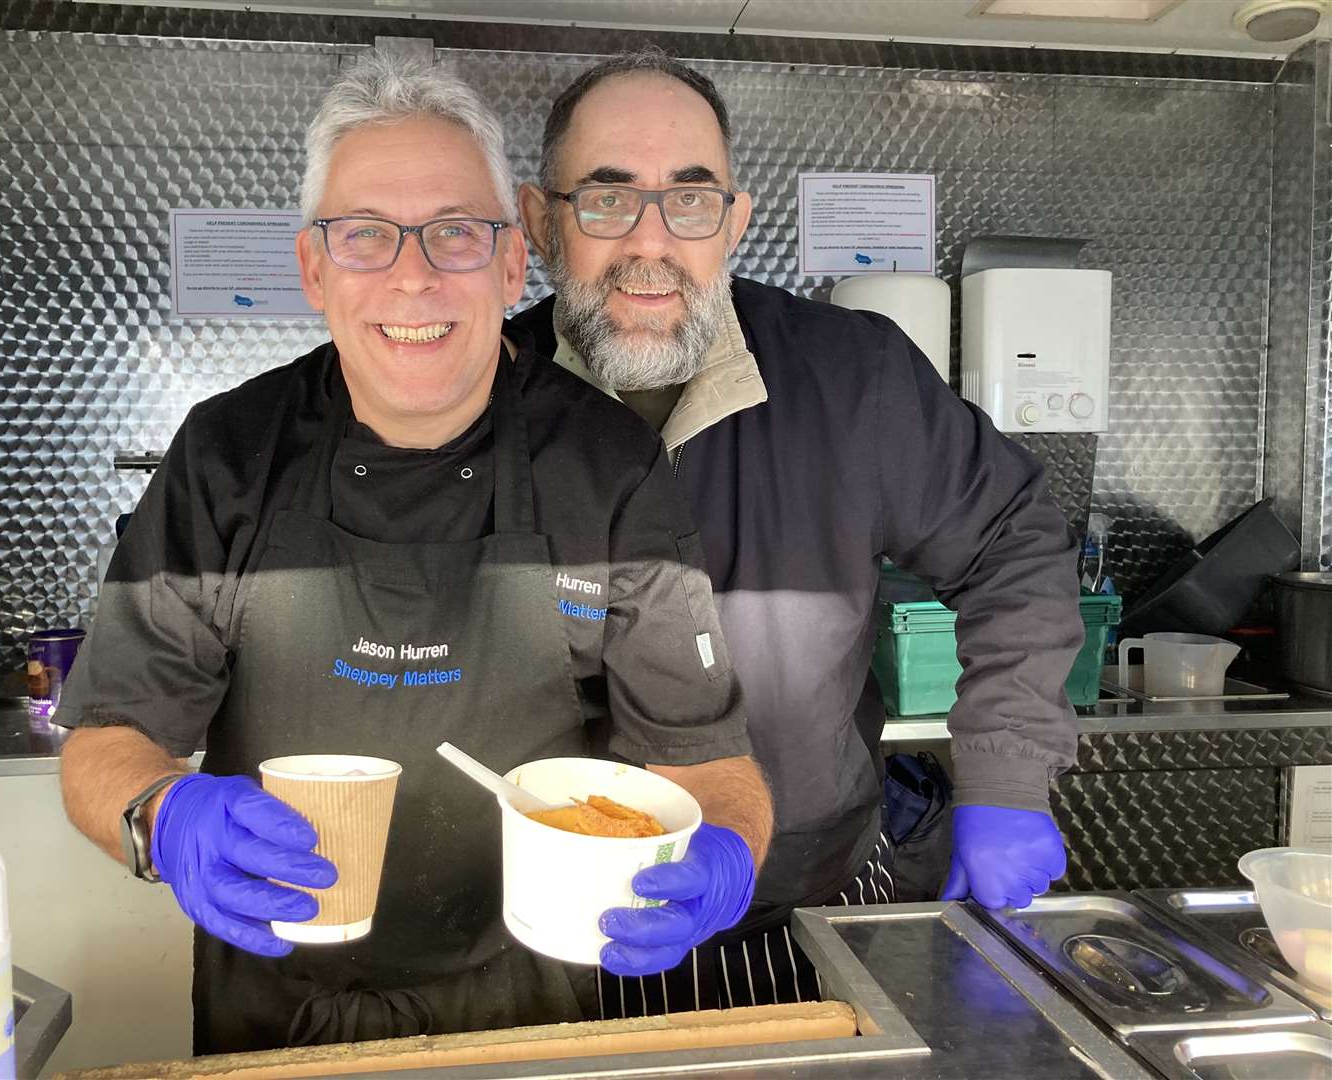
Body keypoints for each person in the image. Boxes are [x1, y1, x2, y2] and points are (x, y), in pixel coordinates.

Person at [57, 52, 772, 1056]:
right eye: (364, 236)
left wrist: (726, 853)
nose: (412, 274)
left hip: (528, 999)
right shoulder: (227, 455)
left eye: (455, 233)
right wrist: (162, 816)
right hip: (270, 999)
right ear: (314, 267)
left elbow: (710, 765)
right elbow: (104, 744)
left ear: (513, 261)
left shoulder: (608, 467)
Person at [514, 50, 1081, 1015]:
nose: (651, 241)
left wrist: (1009, 774)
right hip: (543, 927)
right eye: (607, 200)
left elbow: (1013, 539)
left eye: (690, 202)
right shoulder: (479, 399)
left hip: (804, 911)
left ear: (733, 222)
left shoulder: (851, 379)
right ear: (539, 222)